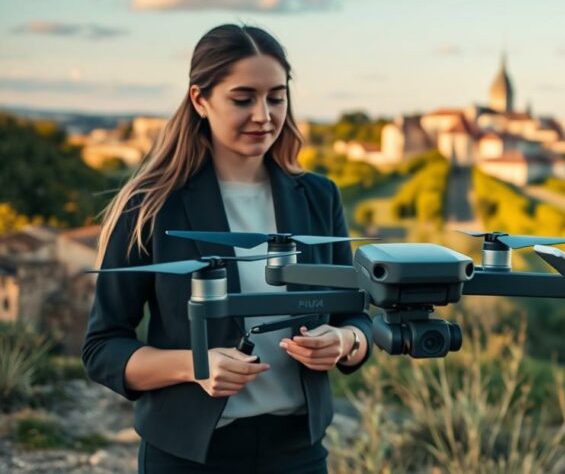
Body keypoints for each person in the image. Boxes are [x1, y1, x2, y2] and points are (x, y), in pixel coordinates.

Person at [82, 24, 373, 473]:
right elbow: (103, 349)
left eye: (277, 97)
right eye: (243, 99)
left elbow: (354, 315)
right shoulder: (150, 206)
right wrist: (195, 366)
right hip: (186, 456)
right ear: (200, 99)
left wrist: (345, 341)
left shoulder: (320, 196)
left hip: (298, 451)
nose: (264, 115)